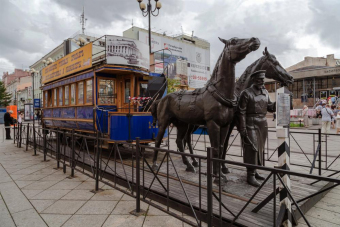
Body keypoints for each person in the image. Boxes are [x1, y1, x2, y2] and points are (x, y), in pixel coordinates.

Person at [238, 70, 276, 187]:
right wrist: (242, 128)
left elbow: (270, 107)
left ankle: (255, 171)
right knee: (252, 148)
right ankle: (250, 175)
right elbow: (241, 112)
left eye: (263, 79)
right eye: (259, 79)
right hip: (251, 123)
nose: (262, 81)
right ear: (254, 80)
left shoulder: (265, 92)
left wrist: (279, 102)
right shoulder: (246, 93)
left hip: (262, 123)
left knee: (259, 148)